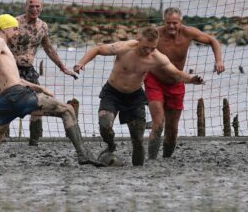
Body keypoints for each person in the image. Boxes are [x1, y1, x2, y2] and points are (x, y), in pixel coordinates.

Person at [0, 14, 100, 167]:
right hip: (17, 96)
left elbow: (15, 79)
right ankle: (83, 154)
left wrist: (40, 87)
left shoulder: (0, 46)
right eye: (15, 29)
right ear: (5, 28)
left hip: (2, 103)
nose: (17, 33)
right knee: (67, 110)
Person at [73, 26, 204, 166]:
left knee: (138, 140)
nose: (148, 51)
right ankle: (110, 145)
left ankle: (138, 169)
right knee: (105, 125)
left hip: (134, 97)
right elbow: (98, 49)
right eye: (145, 47)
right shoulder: (123, 48)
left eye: (152, 48)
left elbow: (176, 73)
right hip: (112, 93)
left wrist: (190, 79)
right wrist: (81, 62)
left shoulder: (157, 58)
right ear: (138, 40)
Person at [0, 0, 78, 146]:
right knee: (2, 107)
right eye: (31, 6)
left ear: (41, 8)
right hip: (11, 70)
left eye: (37, 6)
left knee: (38, 103)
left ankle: (34, 141)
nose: (34, 9)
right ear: (25, 7)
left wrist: (62, 67)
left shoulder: (43, 26)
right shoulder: (14, 24)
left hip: (29, 69)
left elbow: (48, 48)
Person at [143, 7, 225, 159]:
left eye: (175, 23)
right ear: (164, 22)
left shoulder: (189, 33)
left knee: (172, 130)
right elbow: (136, 46)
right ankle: (151, 159)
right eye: (168, 23)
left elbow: (213, 41)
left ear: (181, 22)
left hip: (177, 82)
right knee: (159, 122)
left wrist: (218, 61)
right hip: (155, 80)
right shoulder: (156, 33)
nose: (172, 26)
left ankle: (166, 159)